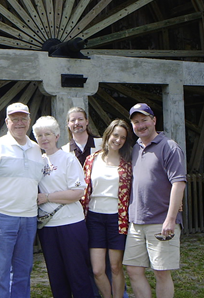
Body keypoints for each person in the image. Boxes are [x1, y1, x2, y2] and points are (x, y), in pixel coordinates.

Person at [0, 102, 45, 298]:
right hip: (1, 218)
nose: (20, 123)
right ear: (7, 122)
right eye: (15, 119)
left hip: (29, 218)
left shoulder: (35, 149)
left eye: (23, 118)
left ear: (29, 121)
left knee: (23, 272)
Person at [123, 103, 187, 298]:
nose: (140, 125)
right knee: (133, 270)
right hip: (136, 222)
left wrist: (170, 219)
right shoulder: (134, 148)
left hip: (161, 221)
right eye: (136, 122)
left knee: (161, 272)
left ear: (154, 121)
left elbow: (179, 184)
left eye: (144, 120)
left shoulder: (169, 147)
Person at [32, 116, 93, 298]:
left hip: (71, 224)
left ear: (57, 135)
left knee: (78, 275)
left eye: (48, 134)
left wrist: (48, 197)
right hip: (48, 227)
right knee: (56, 278)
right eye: (40, 135)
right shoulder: (37, 162)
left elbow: (77, 193)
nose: (44, 138)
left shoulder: (68, 159)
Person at [82, 119, 133, 298]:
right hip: (94, 218)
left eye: (123, 138)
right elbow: (82, 190)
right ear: (108, 135)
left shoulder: (127, 164)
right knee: (97, 269)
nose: (118, 140)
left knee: (115, 267)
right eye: (115, 135)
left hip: (117, 219)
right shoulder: (91, 159)